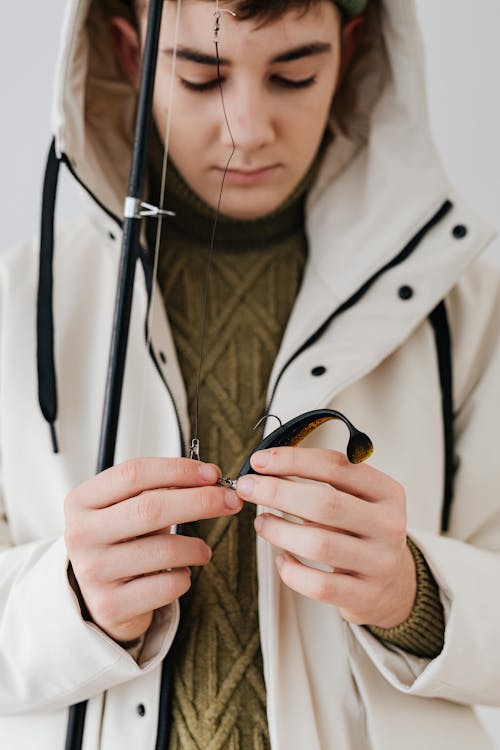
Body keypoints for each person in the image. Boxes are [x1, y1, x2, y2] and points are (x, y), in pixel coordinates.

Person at [1, 0, 499, 748]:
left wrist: (415, 594)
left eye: (294, 74)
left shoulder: (466, 309)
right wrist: (68, 599)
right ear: (128, 52)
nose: (247, 127)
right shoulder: (17, 308)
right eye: (201, 76)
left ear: (353, 49)